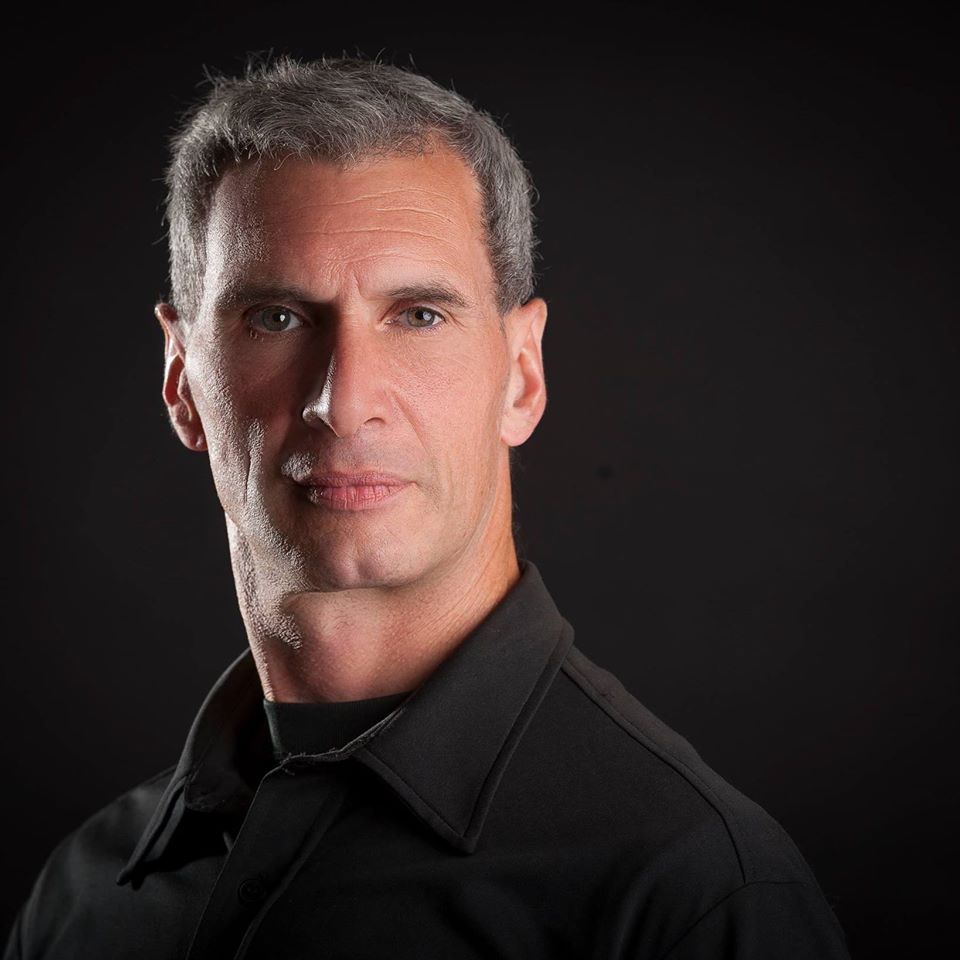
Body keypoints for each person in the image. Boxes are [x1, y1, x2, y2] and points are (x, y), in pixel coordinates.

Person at [3, 54, 852, 959]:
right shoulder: (83, 898)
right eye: (277, 318)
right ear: (182, 380)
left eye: (419, 315)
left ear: (521, 375)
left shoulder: (693, 896)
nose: (343, 401)